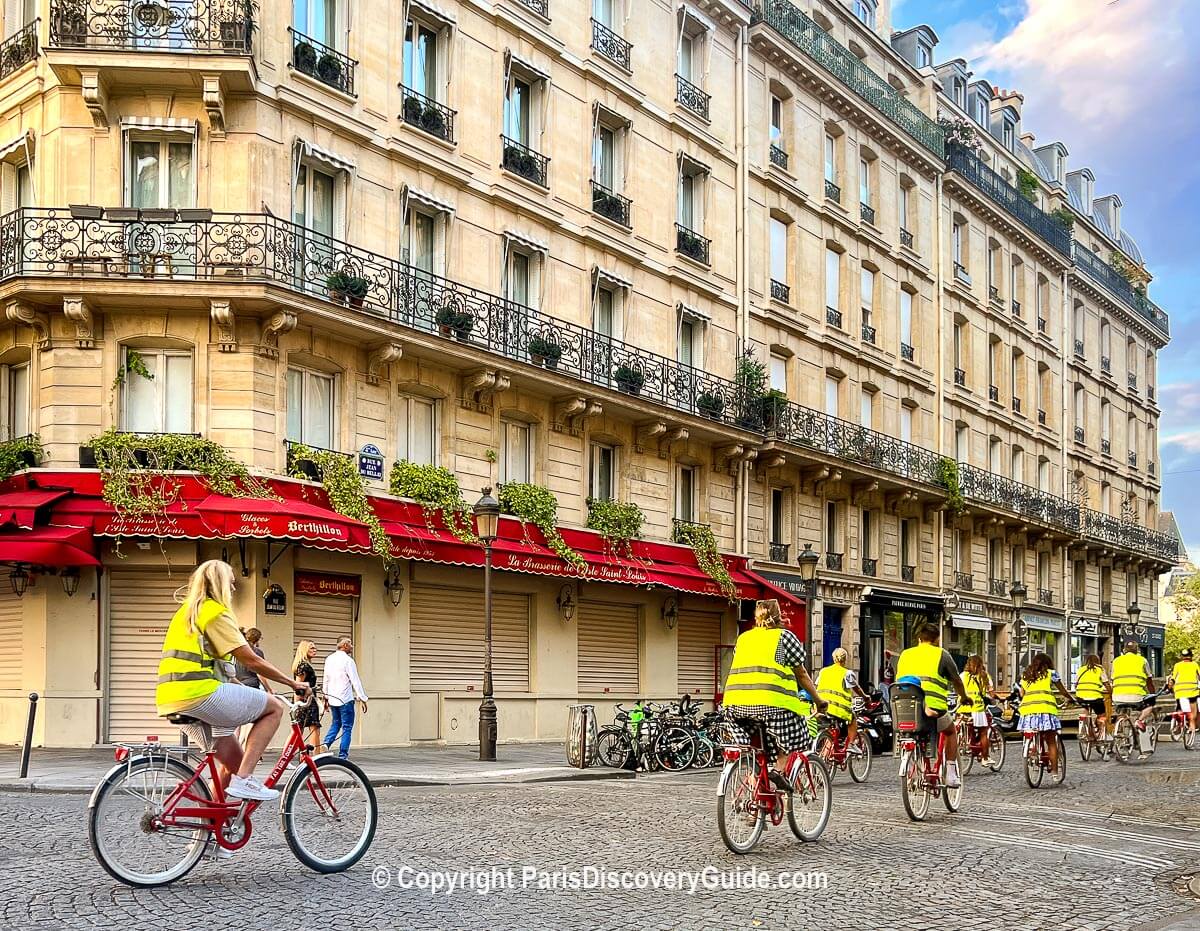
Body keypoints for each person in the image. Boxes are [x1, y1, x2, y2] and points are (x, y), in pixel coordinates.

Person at [155, 560, 310, 802]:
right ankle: (246, 781)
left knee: (233, 764)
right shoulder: (215, 612)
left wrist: (243, 688)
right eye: (231, 583)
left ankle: (210, 831)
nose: (234, 588)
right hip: (200, 694)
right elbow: (252, 661)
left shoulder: (186, 613)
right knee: (273, 709)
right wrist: (293, 684)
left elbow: (221, 671)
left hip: (172, 698)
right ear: (221, 584)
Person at [722, 599, 827, 790]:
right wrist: (819, 700)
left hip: (734, 704)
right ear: (779, 616)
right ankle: (778, 771)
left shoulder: (744, 638)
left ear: (756, 616)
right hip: (771, 704)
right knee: (797, 733)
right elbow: (801, 673)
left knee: (757, 750)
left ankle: (755, 795)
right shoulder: (784, 637)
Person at [894, 623, 970, 788]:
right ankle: (950, 772)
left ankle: (917, 766)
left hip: (905, 707)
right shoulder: (941, 655)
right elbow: (956, 680)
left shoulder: (905, 654)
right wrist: (964, 697)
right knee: (950, 731)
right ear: (937, 639)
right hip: (933, 708)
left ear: (919, 638)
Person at [1018, 651, 1073, 774]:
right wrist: (1071, 698)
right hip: (1046, 711)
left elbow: (1022, 694)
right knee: (1051, 741)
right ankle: (1054, 772)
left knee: (1031, 733)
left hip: (1027, 711)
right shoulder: (1051, 674)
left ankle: (1033, 750)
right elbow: (1063, 691)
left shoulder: (1026, 675)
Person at [322, 637, 368, 760]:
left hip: (333, 699)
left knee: (336, 723)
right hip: (345, 700)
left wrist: (325, 696)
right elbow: (355, 680)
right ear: (345, 645)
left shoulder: (329, 659)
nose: (352, 646)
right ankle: (343, 755)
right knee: (347, 728)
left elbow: (326, 678)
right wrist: (362, 698)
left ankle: (326, 743)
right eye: (350, 644)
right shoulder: (348, 661)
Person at [816, 647, 868, 755]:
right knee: (853, 718)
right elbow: (856, 688)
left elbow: (816, 685)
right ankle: (851, 744)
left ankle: (825, 758)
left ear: (833, 658)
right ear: (845, 659)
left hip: (822, 707)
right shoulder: (847, 673)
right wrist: (865, 697)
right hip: (838, 708)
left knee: (832, 732)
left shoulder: (823, 671)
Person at [959, 654, 999, 766]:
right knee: (983, 732)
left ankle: (966, 743)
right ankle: (985, 758)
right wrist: (996, 698)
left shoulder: (963, 675)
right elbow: (991, 693)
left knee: (967, 728)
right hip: (977, 708)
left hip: (962, 707)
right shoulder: (984, 676)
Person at [1112, 640, 1157, 737]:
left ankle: (1117, 736)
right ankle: (1139, 721)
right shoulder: (1142, 660)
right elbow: (1149, 681)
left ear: (1124, 650)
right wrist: (1153, 695)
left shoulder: (1116, 661)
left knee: (1121, 712)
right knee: (1149, 706)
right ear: (1137, 650)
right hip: (1136, 696)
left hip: (1117, 696)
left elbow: (1112, 679)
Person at [291, 639, 322, 753]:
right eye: (312, 648)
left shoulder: (306, 665)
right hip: (305, 702)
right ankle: (315, 755)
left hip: (309, 700)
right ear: (305, 650)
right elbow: (298, 686)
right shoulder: (303, 666)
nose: (315, 650)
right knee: (302, 730)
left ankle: (315, 754)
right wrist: (297, 705)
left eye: (315, 648)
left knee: (312, 728)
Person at [1073, 654, 1111, 739]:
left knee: (1086, 708)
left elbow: (1076, 684)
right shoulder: (1100, 669)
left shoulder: (1081, 669)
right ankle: (1100, 731)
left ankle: (1084, 724)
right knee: (1102, 714)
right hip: (1095, 697)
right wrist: (1111, 693)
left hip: (1081, 697)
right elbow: (1106, 683)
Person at [1167, 647, 1200, 738]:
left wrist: (1170, 688)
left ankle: (1178, 724)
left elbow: (1173, 678)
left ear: (1182, 657)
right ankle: (1191, 725)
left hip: (1180, 691)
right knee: (1193, 711)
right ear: (1191, 656)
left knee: (1179, 708)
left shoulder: (1177, 665)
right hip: (1192, 691)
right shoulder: (1195, 665)